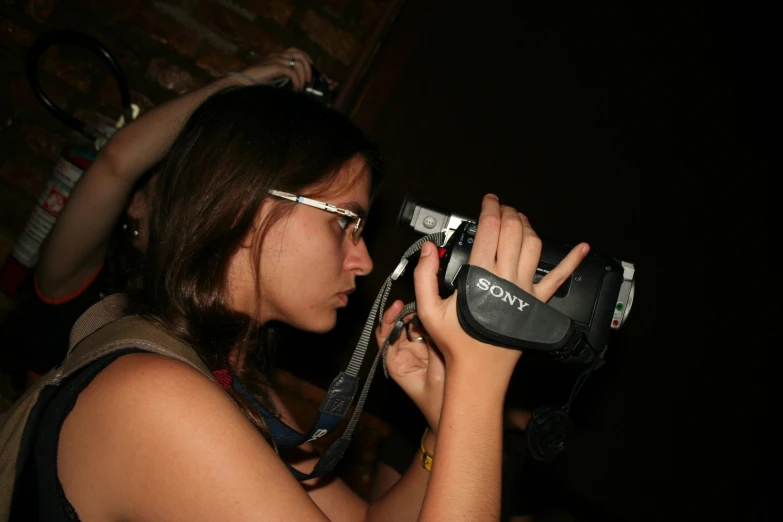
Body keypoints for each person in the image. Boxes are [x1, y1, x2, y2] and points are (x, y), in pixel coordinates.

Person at [10, 79, 591, 520]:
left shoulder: (232, 384)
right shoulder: (152, 395)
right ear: (247, 205)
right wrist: (479, 383)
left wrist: (443, 433)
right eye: (347, 223)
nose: (363, 262)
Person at [0, 47, 320, 392]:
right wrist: (239, 85)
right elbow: (117, 161)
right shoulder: (74, 279)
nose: (189, 197)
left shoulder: (194, 310)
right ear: (135, 204)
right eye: (175, 184)